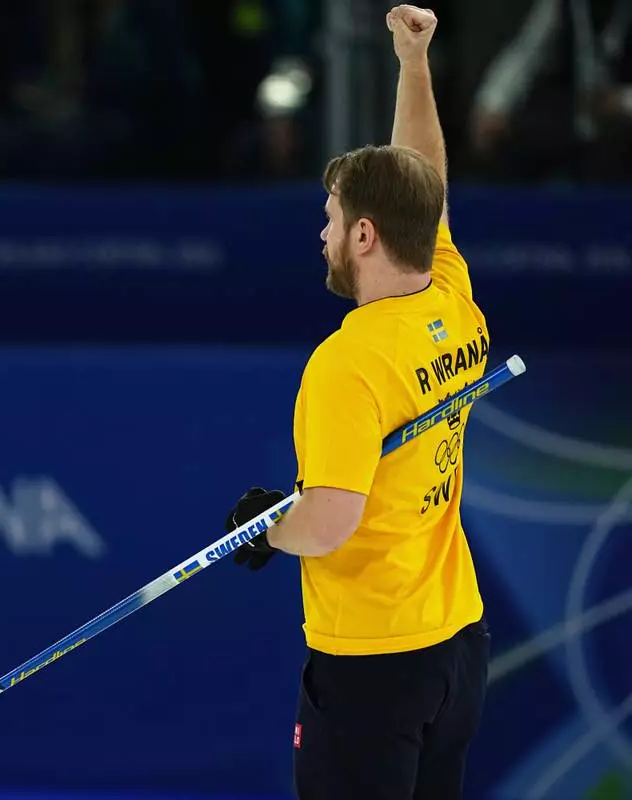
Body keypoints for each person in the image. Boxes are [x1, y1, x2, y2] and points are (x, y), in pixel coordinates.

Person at [226, 6, 491, 799]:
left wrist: (268, 525)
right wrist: (413, 63)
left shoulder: (349, 362)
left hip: (372, 663)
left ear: (366, 235)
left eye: (332, 218)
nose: (323, 233)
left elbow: (330, 521)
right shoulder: (452, 295)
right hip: (455, 647)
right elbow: (424, 179)